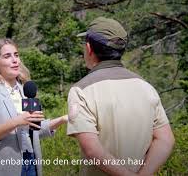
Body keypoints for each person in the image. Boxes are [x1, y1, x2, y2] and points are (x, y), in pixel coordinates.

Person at [66, 17, 175, 176]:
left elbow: (91, 149)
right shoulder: (146, 87)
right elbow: (165, 139)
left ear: (89, 48)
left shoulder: (81, 90)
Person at [0, 38, 67, 176]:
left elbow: (33, 131)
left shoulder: (25, 90)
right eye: (7, 56)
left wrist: (62, 120)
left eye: (16, 55)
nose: (15, 60)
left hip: (31, 163)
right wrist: (17, 121)